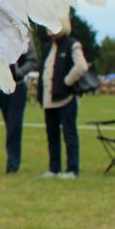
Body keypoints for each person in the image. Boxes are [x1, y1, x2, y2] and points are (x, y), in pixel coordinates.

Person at [0, 39, 38, 173]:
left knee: (14, 126)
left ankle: (13, 165)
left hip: (15, 86)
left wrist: (19, 72)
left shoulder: (23, 33)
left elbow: (32, 60)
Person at [37, 16, 89, 179]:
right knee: (52, 135)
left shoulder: (72, 44)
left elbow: (82, 66)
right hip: (49, 100)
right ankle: (54, 168)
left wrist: (67, 81)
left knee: (69, 133)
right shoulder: (47, 48)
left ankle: (72, 169)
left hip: (66, 98)